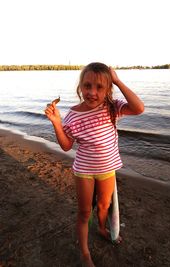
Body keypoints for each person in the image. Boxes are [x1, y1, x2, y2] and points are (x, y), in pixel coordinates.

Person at [45, 62, 144, 267]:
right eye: (87, 85)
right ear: (80, 86)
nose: (92, 92)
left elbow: (139, 108)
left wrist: (117, 80)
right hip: (84, 171)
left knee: (103, 206)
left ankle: (101, 227)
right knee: (83, 212)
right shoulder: (72, 115)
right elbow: (66, 146)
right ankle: (84, 253)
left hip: (107, 170)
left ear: (108, 89)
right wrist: (56, 122)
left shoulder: (112, 107)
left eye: (100, 87)